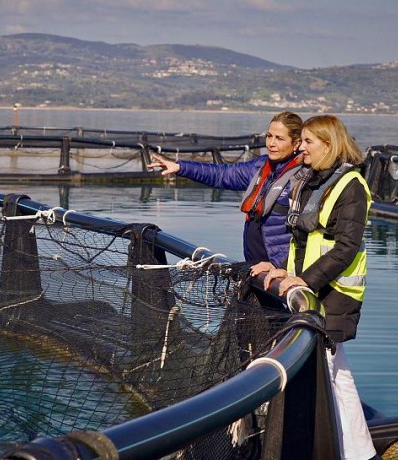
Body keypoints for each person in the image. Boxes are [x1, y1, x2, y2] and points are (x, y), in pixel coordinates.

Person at [256, 114, 377, 460]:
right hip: (311, 291)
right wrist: (280, 270)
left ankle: (353, 451)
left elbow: (345, 247)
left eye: (308, 142)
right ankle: (356, 451)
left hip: (335, 294)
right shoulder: (309, 180)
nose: (301, 149)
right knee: (336, 371)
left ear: (329, 144)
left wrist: (305, 280)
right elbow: (301, 242)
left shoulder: (350, 186)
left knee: (333, 369)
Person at [147, 111, 303, 268]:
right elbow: (221, 174)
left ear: (296, 143)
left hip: (279, 270)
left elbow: (304, 236)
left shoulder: (302, 177)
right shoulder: (259, 167)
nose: (271, 143)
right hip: (254, 265)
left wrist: (278, 266)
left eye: (280, 138)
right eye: (269, 136)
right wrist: (180, 167)